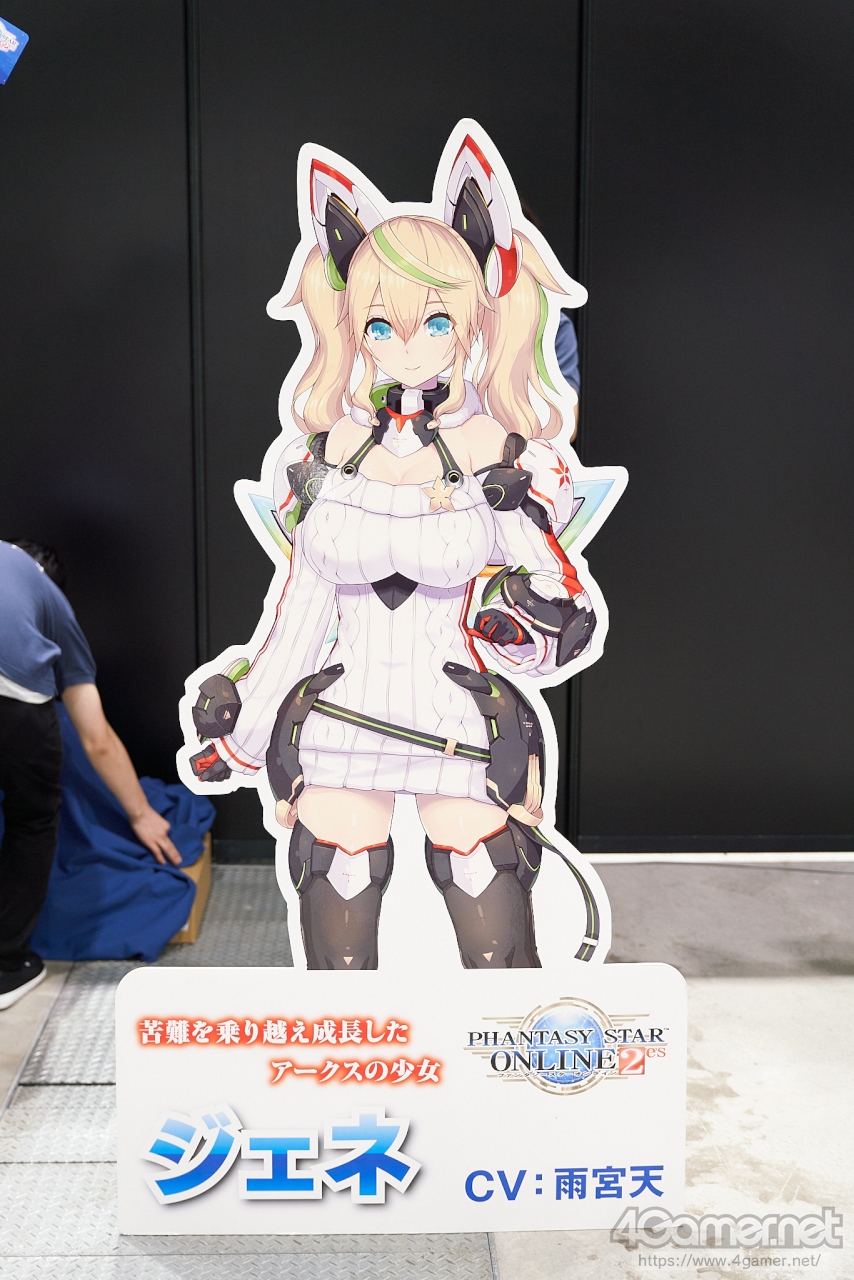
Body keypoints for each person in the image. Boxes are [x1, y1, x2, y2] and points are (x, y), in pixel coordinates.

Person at [184, 132, 613, 974]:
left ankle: (506, 1055)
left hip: (461, 717)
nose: (408, 347)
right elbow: (299, 618)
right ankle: (358, 1053)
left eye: (436, 321)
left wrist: (529, 614)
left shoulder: (491, 452)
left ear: (475, 321)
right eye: (381, 324)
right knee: (338, 897)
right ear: (354, 327)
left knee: (490, 917)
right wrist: (242, 727)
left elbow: (560, 606)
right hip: (343, 715)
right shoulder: (329, 455)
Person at [0, 539, 180, 1008]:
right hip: (12, 702)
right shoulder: (51, 600)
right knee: (32, 820)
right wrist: (140, 814)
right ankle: (6, 967)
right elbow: (96, 737)